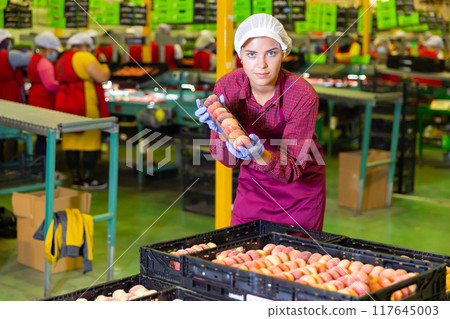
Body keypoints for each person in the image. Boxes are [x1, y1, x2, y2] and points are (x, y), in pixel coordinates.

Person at [195, 14, 326, 230]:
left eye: (271, 53)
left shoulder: (302, 95)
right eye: (252, 54)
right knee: (240, 250)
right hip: (253, 185)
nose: (261, 65)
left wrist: (257, 153)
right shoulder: (228, 88)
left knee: (297, 258)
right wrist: (221, 131)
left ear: (283, 54)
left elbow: (291, 169)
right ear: (240, 56)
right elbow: (228, 161)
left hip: (300, 193)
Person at [54, 32, 111, 189]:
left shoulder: (62, 59)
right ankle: (89, 179)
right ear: (85, 45)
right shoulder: (84, 57)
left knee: (71, 143)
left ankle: (76, 178)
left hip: (65, 104)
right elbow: (102, 77)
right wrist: (105, 66)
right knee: (90, 142)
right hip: (84, 105)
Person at [27, 31, 61, 157]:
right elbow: (50, 85)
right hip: (43, 100)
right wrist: (63, 85)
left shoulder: (34, 59)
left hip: (35, 97)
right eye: (54, 50)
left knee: (40, 135)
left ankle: (40, 167)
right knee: (45, 136)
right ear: (48, 49)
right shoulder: (44, 63)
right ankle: (44, 168)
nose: (55, 54)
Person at [0, 29, 31, 163]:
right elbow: (32, 59)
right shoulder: (10, 55)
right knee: (12, 133)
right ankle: (10, 164)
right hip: (11, 95)